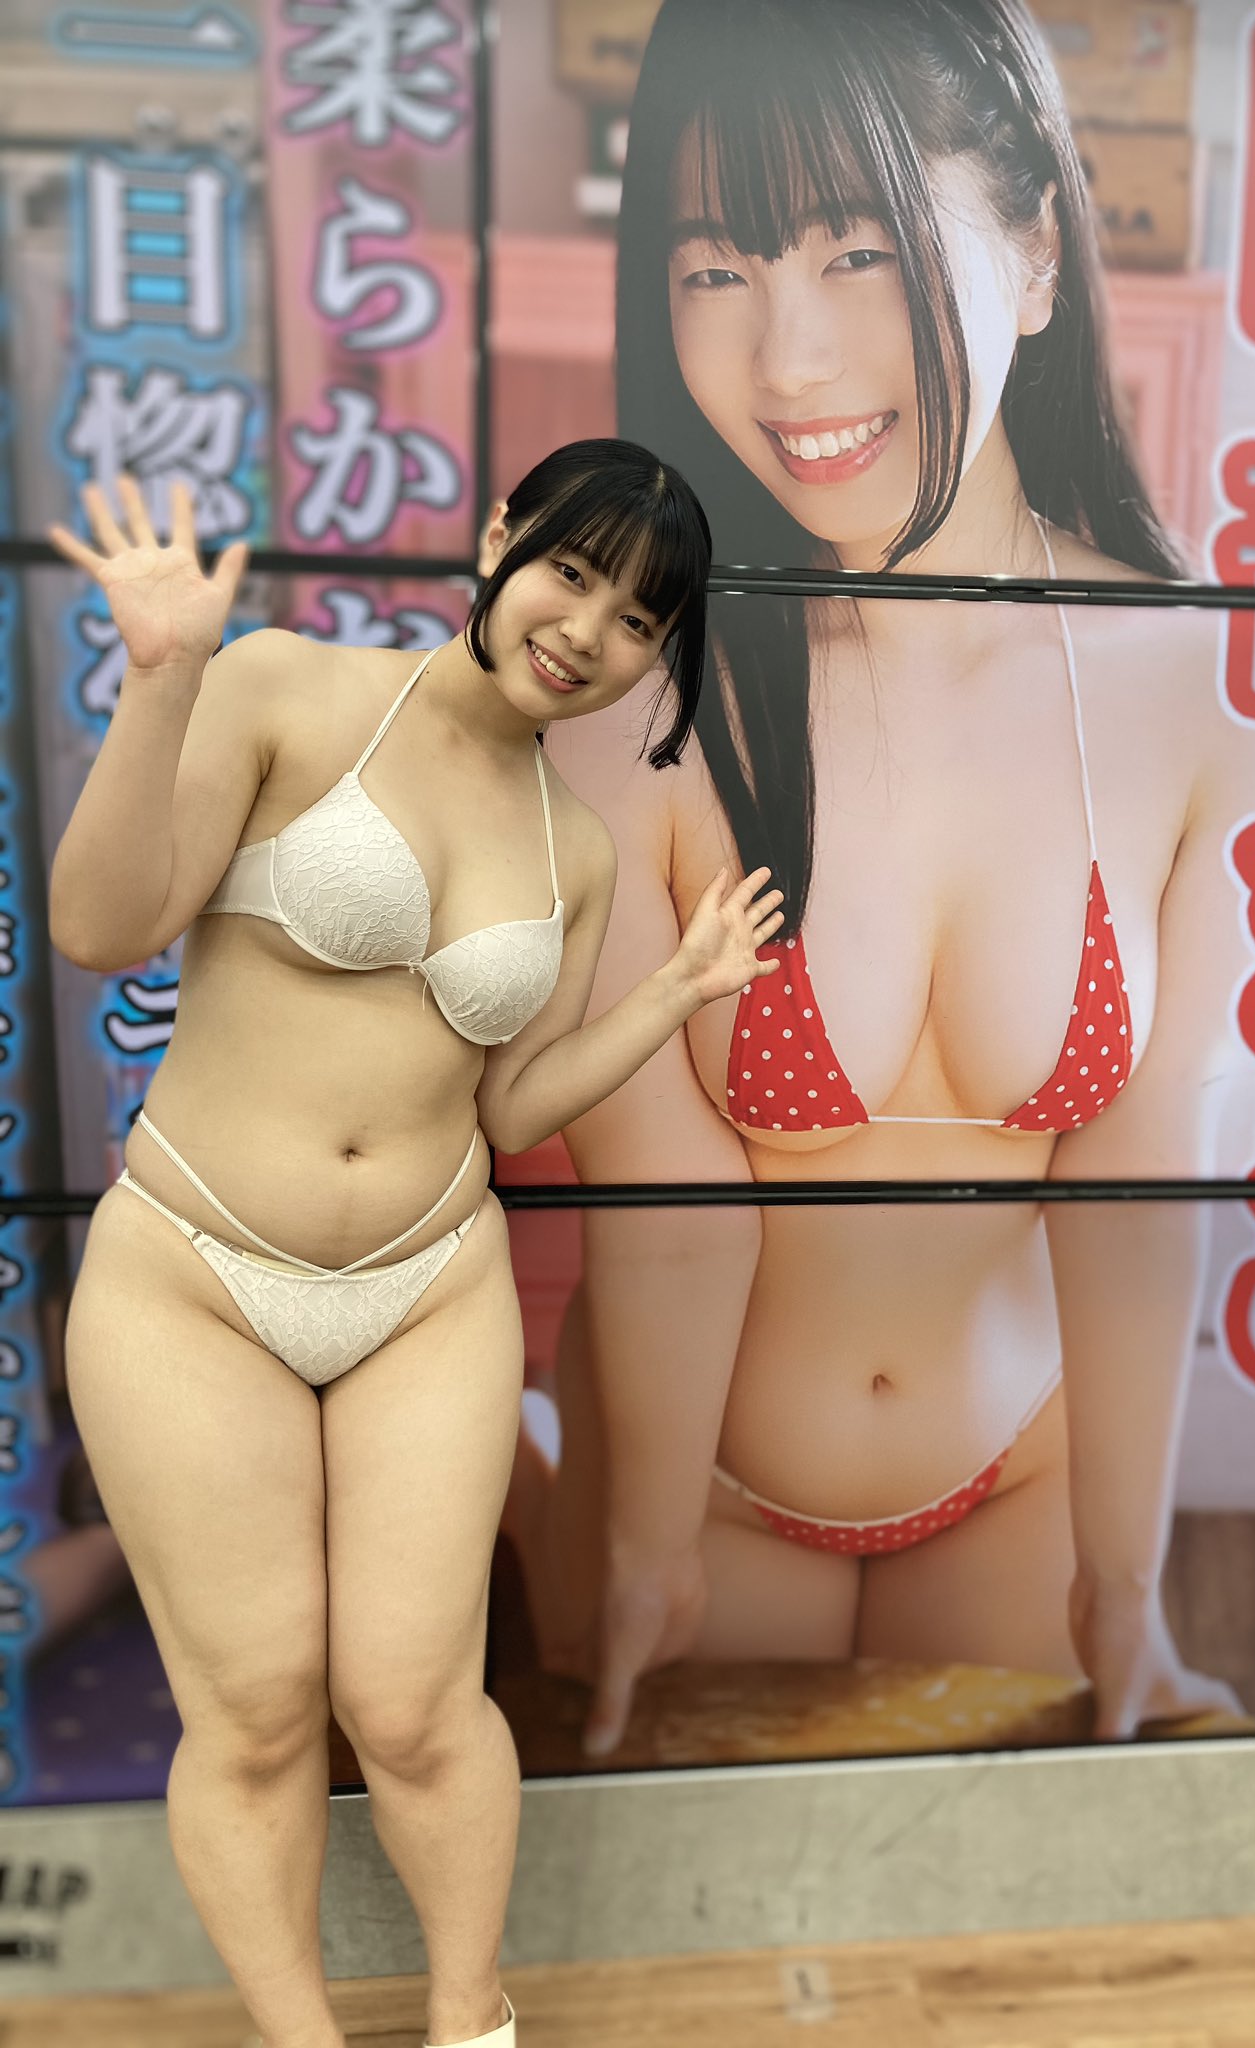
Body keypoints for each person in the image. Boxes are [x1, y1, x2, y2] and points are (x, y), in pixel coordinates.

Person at [513, 0, 1255, 1759]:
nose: (788, 362)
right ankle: (533, 1479)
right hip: (702, 1481)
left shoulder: (1191, 682)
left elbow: (1142, 1179)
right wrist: (644, 1556)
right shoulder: (636, 697)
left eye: (856, 252)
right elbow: (662, 1201)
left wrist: (1125, 1584)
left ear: (1036, 253)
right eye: (715, 270)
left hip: (1021, 1474)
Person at [46, 441, 782, 2048]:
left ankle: (472, 2022)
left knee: (415, 1706)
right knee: (255, 1711)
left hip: (426, 1289)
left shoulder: (577, 851)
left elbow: (512, 1105)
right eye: (572, 573)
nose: (587, 632)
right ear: (503, 537)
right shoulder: (286, 688)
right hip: (196, 1278)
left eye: (639, 621)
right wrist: (163, 683)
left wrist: (672, 995)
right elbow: (103, 925)